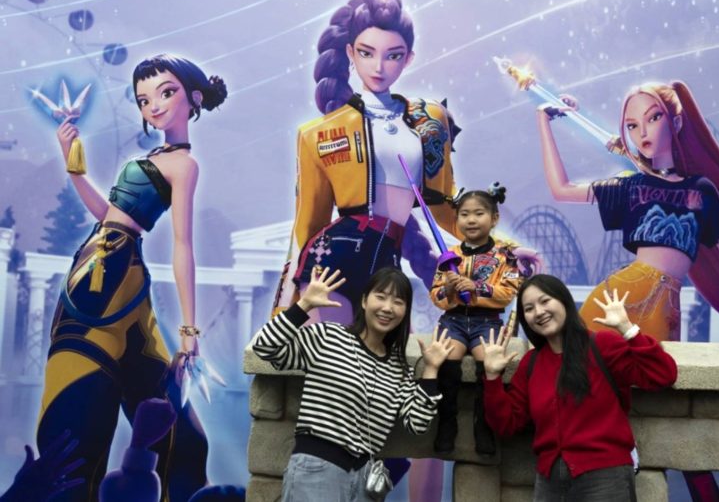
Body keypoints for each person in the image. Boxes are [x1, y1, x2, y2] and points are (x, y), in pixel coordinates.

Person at [37, 53, 227, 501]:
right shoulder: (156, 157)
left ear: (194, 97)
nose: (154, 106)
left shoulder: (183, 165)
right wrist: (73, 161)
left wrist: (189, 331)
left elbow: (183, 245)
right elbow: (109, 215)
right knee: (83, 390)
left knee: (160, 406)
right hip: (100, 264)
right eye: (144, 100)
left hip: (116, 271)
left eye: (165, 93)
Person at [536, 81, 719, 342]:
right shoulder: (631, 186)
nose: (642, 133)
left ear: (676, 122)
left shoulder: (700, 190)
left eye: (653, 118)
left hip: (665, 310)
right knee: (591, 374)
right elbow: (562, 190)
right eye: (632, 125)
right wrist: (544, 121)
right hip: (616, 302)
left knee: (656, 375)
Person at [273, 0, 462, 324]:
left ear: (409, 58)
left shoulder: (430, 119)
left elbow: (446, 208)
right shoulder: (318, 132)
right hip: (330, 262)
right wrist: (284, 305)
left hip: (388, 264)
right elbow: (308, 223)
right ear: (350, 52)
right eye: (366, 52)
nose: (379, 66)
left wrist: (502, 248)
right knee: (331, 353)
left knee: (382, 354)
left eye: (393, 55)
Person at [252, 267, 455, 502]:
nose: (388, 308)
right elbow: (264, 347)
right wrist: (304, 304)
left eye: (398, 302)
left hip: (365, 482)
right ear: (364, 301)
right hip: (316, 470)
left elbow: (417, 424)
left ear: (405, 311)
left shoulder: (399, 369)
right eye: (381, 297)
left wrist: (431, 369)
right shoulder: (329, 337)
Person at [481, 274, 677, 502]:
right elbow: (506, 424)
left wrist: (627, 328)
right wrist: (492, 376)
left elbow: (663, 375)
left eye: (545, 301)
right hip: (550, 482)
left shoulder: (601, 345)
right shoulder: (531, 363)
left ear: (564, 301)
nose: (539, 312)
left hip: (605, 478)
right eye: (529, 308)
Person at [429, 185, 523, 455]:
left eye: (479, 213)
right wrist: (448, 290)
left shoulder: (506, 255)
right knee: (448, 360)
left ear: (494, 218)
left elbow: (508, 293)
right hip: (454, 320)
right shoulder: (448, 255)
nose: (471, 220)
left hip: (488, 321)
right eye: (464, 214)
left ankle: (484, 426)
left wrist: (476, 287)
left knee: (488, 362)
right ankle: (447, 423)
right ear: (457, 218)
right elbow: (436, 295)